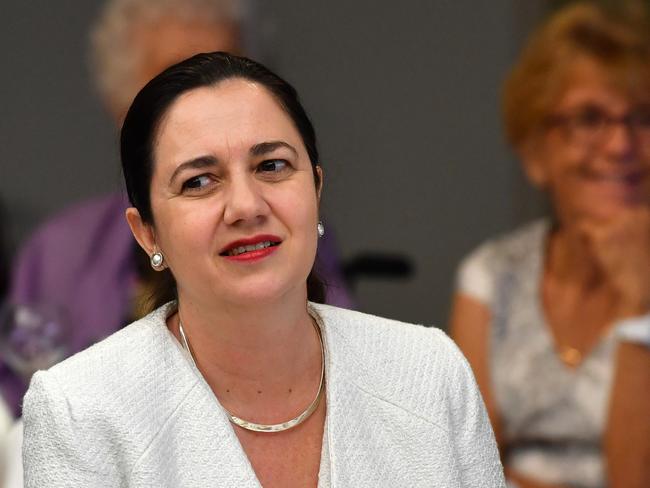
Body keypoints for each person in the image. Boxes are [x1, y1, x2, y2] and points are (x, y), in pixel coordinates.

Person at [22, 51, 505, 487]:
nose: (246, 206)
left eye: (272, 166)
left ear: (316, 190)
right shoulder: (80, 408)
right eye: (199, 181)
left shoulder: (429, 371)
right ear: (147, 232)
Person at [2, 0, 353, 420]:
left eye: (223, 67)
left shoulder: (283, 229)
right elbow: (17, 408)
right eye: (174, 81)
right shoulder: (57, 251)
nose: (246, 208)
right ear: (122, 108)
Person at [450, 4, 650, 488]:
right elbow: (460, 467)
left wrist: (638, 307)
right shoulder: (492, 274)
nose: (621, 144)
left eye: (643, 117)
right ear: (537, 150)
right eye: (589, 118)